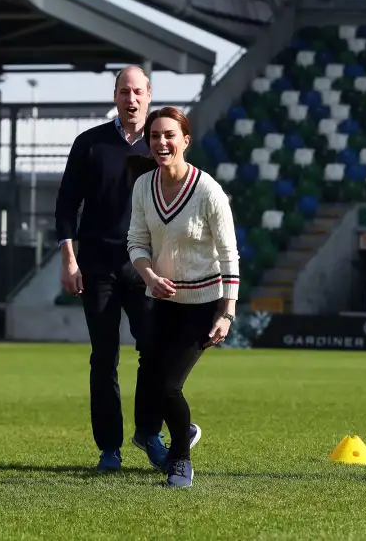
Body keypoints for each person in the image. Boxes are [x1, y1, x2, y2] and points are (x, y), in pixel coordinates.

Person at [55, 66, 199, 473]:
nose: (130, 99)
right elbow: (66, 205)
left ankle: (149, 432)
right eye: (124, 91)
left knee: (153, 352)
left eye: (137, 91)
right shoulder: (90, 143)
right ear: (115, 95)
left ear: (149, 95)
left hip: (147, 268)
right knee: (104, 359)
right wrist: (69, 259)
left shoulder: (163, 144)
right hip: (97, 266)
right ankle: (109, 448)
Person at [127, 107, 239, 488]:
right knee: (151, 379)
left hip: (203, 306)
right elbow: (136, 241)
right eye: (155, 136)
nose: (161, 142)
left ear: (185, 140)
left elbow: (229, 254)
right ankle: (179, 432)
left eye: (169, 135)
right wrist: (150, 276)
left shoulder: (208, 191)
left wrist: (227, 311)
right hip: (162, 303)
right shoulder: (143, 187)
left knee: (168, 386)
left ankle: (180, 461)